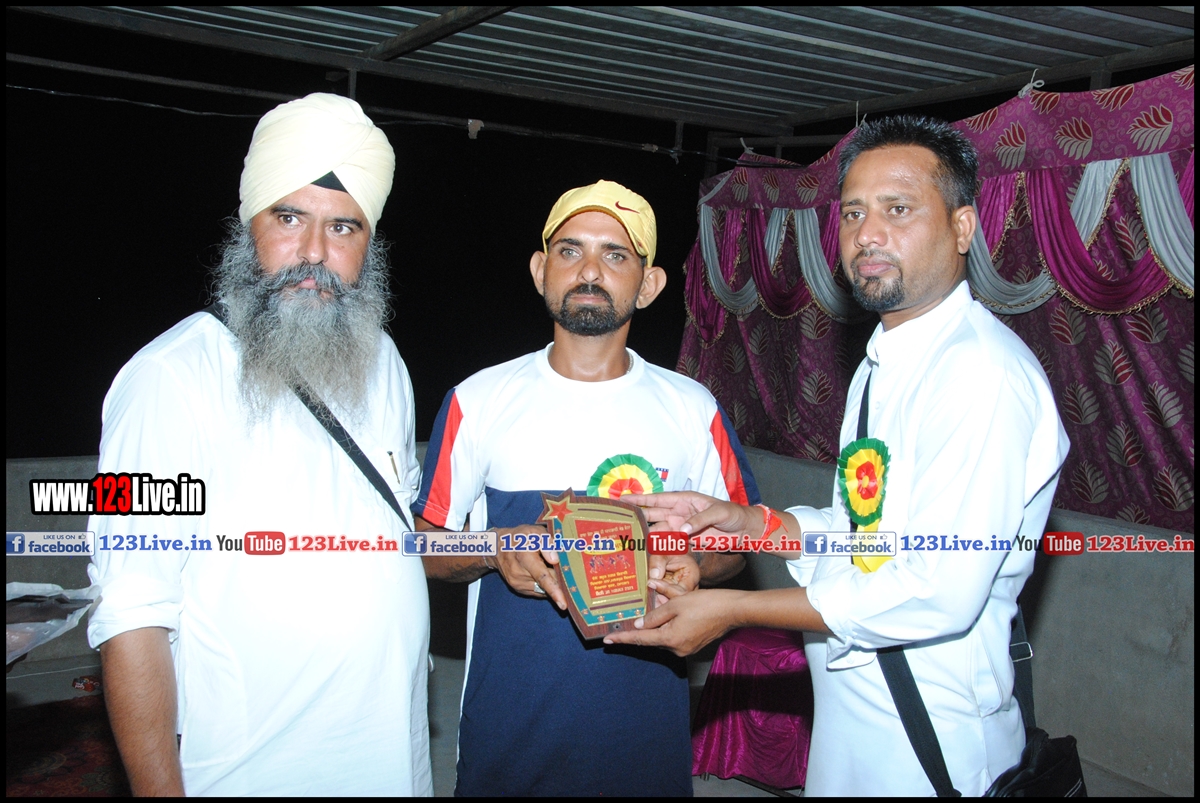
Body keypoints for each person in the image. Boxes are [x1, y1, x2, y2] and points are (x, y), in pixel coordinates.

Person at [608, 116, 1070, 796]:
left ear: (963, 227)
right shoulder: (884, 363)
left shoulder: (979, 374)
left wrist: (733, 609)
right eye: (853, 212)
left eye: (898, 209)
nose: (867, 233)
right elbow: (866, 535)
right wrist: (749, 522)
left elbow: (934, 587)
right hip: (853, 720)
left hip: (930, 734)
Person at [86, 93, 432, 796]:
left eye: (343, 227)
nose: (314, 254)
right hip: (247, 775)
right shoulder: (165, 379)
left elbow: (394, 534)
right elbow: (132, 617)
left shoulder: (386, 365)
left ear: (369, 246)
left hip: (394, 763)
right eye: (289, 218)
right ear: (248, 227)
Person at [412, 180, 759, 796]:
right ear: (540, 270)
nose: (590, 271)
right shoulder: (478, 400)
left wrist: (694, 561)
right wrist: (495, 547)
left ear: (649, 285)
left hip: (645, 746)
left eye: (615, 255)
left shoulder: (693, 408)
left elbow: (740, 542)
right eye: (570, 251)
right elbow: (422, 546)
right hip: (506, 741)